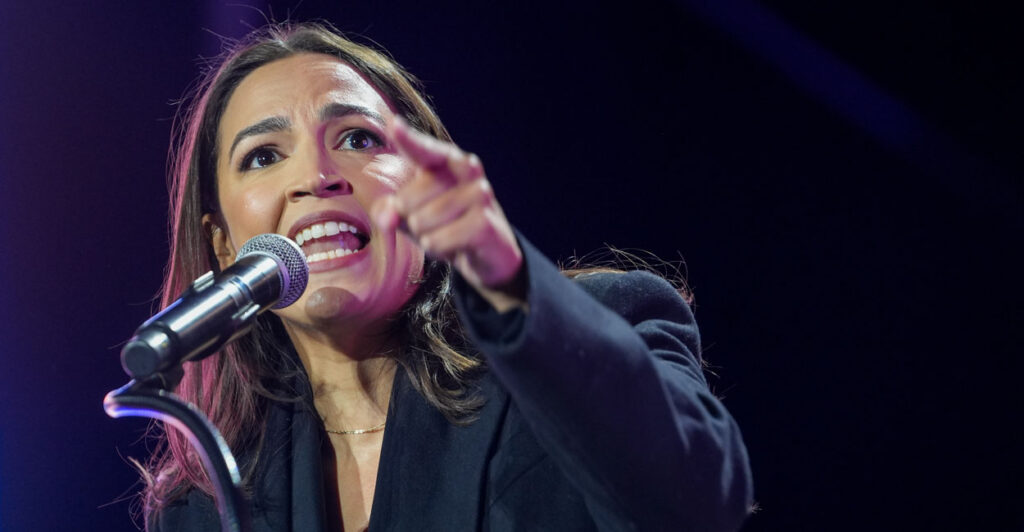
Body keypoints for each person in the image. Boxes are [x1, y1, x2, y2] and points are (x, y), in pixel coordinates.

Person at [139, 21, 753, 532]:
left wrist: (508, 282)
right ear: (223, 244)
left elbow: (697, 503)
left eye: (357, 139)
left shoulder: (594, 331)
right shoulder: (207, 504)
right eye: (264, 156)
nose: (316, 176)